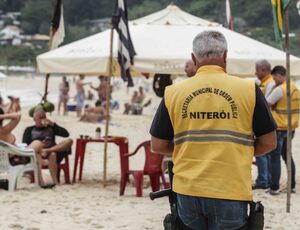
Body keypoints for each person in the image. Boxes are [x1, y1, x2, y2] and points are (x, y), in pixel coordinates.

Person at [150, 31, 277, 229]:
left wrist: (188, 150)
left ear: (194, 58)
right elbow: (269, 142)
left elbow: (157, 145)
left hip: (188, 190)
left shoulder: (173, 92)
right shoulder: (249, 90)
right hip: (231, 188)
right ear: (226, 56)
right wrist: (238, 152)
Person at [266, 65, 299, 195]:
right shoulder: (295, 88)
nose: (274, 80)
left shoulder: (280, 89)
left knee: (275, 158)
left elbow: (267, 103)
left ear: (279, 75)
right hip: (291, 127)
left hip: (279, 127)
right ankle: (292, 186)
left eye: (274, 78)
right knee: (287, 156)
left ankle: (274, 187)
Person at [22, 109, 73, 187]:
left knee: (69, 141)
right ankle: (50, 182)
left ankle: (55, 183)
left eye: (44, 117)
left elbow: (66, 134)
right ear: (34, 119)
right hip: (39, 155)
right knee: (50, 155)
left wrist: (53, 124)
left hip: (53, 151)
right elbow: (25, 145)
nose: (43, 119)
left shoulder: (51, 127)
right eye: (40, 118)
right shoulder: (29, 130)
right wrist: (40, 147)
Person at [252, 59, 275, 190]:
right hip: (268, 122)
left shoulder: (269, 83)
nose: (255, 72)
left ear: (263, 70)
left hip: (267, 123)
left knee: (263, 154)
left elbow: (266, 103)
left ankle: (263, 179)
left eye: (257, 69)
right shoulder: (265, 83)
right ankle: (265, 178)